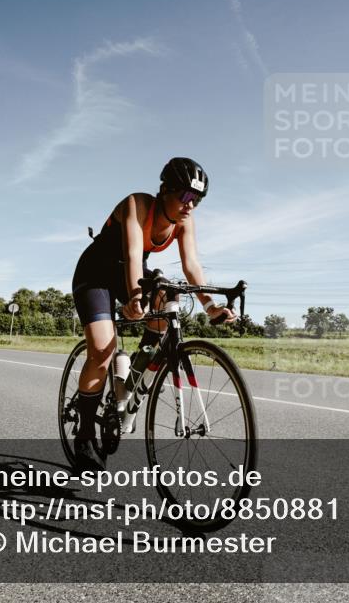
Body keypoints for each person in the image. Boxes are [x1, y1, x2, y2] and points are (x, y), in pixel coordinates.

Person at [71, 157, 235, 471]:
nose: (191, 205)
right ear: (165, 191)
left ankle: (131, 376)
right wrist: (134, 299)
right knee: (102, 350)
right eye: (186, 196)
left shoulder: (185, 221)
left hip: (132, 274)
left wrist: (211, 306)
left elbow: (192, 267)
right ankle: (85, 431)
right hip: (95, 273)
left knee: (166, 302)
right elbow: (133, 254)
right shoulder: (138, 204)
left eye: (197, 200)